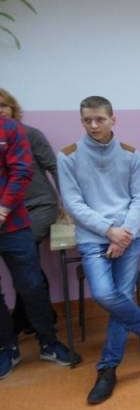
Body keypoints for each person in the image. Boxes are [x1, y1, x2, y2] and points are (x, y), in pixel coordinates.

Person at [59, 96, 140, 405]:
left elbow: (139, 198)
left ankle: (107, 368)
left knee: (121, 297)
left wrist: (123, 234)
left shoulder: (130, 154)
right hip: (94, 237)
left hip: (128, 235)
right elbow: (73, 203)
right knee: (104, 294)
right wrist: (108, 231)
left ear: (113, 119)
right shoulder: (68, 156)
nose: (93, 125)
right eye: (87, 120)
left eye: (99, 119)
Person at [0, 111, 80, 379]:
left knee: (32, 284)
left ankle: (48, 342)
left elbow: (21, 171)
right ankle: (7, 348)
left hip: (14, 222)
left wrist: (3, 208)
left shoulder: (10, 129)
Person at [0, 89, 59, 333]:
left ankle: (27, 318)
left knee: (25, 257)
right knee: (25, 263)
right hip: (12, 212)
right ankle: (38, 316)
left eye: (3, 105)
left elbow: (54, 167)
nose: (0, 111)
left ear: (13, 108)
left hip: (41, 207)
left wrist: (68, 206)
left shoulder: (31, 134)